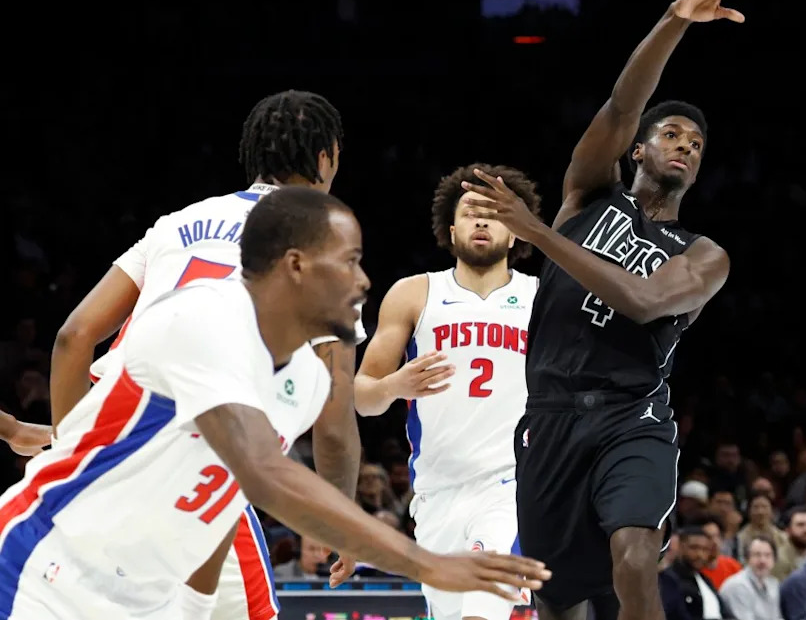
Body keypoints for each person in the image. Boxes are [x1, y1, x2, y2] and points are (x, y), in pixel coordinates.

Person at [0, 188, 550, 620]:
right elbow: (265, 476)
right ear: (297, 265)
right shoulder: (202, 321)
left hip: (140, 591)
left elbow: (223, 493)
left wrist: (192, 611)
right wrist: (426, 563)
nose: (364, 281)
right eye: (350, 261)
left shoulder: (308, 380)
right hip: (46, 564)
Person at [459, 0, 744, 620]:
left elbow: (643, 302)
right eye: (672, 134)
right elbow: (622, 103)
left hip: (631, 413)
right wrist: (675, 19)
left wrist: (534, 232)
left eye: (696, 146)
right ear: (638, 149)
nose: (686, 147)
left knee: (637, 558)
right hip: (551, 414)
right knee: (559, 600)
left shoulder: (704, 253)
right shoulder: (589, 194)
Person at [47, 90, 365, 620]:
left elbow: (73, 337)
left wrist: (71, 456)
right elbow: (333, 427)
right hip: (198, 467)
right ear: (327, 156)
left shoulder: (175, 225)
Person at [355, 163, 542, 620]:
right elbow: (361, 395)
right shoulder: (415, 293)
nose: (482, 221)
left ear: (517, 230)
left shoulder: (542, 297)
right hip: (436, 494)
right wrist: (396, 385)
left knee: (481, 611)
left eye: (495, 212)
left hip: (509, 485)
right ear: (451, 227)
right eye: (472, 211)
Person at [718, 536, 782, 620]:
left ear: (774, 560)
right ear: (747, 559)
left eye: (767, 555)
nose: (762, 560)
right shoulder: (738, 586)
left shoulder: (773, 583)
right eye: (757, 555)